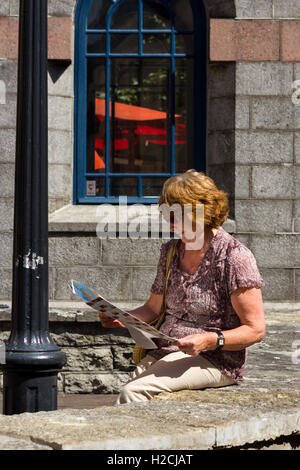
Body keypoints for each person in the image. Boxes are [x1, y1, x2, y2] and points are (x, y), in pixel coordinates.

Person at [99, 170, 266, 404]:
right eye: (168, 218)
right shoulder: (170, 252)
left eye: (176, 218)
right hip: (166, 350)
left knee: (134, 392)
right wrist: (123, 318)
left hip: (215, 359)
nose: (170, 227)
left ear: (202, 212)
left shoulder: (235, 257)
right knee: (133, 385)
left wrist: (208, 340)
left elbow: (256, 329)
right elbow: (153, 308)